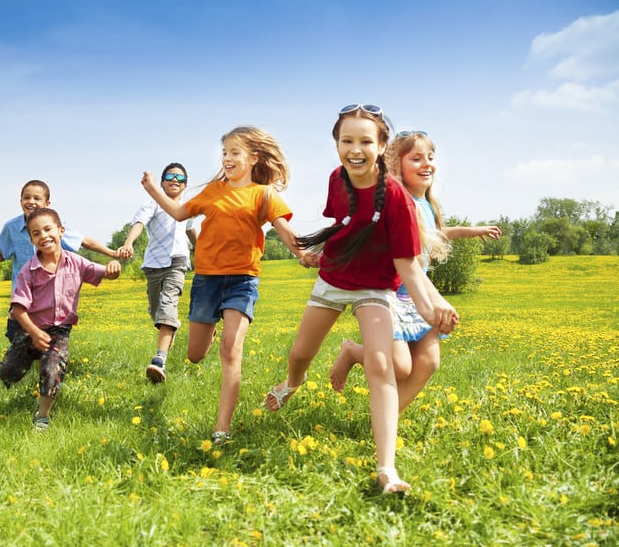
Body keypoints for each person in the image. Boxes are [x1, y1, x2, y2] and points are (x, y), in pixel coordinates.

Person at [263, 105, 459, 494]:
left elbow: (408, 266)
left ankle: (387, 469)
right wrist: (321, 250)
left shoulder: (399, 200)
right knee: (301, 352)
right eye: (346, 140)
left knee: (382, 364)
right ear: (336, 143)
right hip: (334, 278)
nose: (355, 149)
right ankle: (291, 384)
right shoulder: (337, 178)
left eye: (366, 141)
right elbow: (343, 221)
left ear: (381, 146)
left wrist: (430, 308)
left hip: (375, 288)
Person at [140, 126, 308, 446]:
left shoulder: (264, 194)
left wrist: (302, 254)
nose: (227, 158)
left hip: (243, 280)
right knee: (195, 355)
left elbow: (284, 230)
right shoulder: (213, 190)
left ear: (253, 157)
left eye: (234, 152)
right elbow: (177, 213)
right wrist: (152, 188)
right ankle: (213, 325)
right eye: (225, 153)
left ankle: (221, 430)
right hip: (206, 280)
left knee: (231, 350)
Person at [329, 130, 501, 411]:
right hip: (393, 293)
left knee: (429, 361)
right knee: (398, 367)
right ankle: (352, 351)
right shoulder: (398, 202)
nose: (427, 164)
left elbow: (437, 232)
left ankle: (386, 421)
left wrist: (474, 230)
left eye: (430, 158)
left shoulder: (427, 205)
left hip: (418, 293)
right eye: (416, 158)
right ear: (397, 165)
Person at [0, 208, 121, 430]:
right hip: (30, 330)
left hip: (59, 331)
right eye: (36, 233)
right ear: (32, 240)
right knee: (8, 372)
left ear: (61, 231)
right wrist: (34, 333)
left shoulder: (77, 263)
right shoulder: (29, 271)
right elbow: (17, 309)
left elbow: (104, 273)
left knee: (53, 369)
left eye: (47, 229)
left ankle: (42, 416)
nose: (43, 236)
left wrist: (113, 268)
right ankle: (27, 363)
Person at [0, 179, 126, 342]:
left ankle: (44, 364)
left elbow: (84, 240)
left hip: (48, 301)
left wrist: (111, 253)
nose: (31, 202)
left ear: (47, 203)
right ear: (20, 201)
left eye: (36, 198)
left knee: (48, 345)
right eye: (27, 197)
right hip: (24, 299)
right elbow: (1, 253)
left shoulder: (53, 226)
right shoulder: (11, 227)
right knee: (18, 343)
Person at [119, 162, 198, 383]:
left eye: (181, 178)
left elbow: (191, 230)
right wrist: (128, 243)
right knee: (157, 312)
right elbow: (139, 223)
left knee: (168, 304)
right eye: (170, 176)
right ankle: (171, 325)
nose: (175, 180)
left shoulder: (187, 207)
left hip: (178, 262)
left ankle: (159, 360)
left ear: (185, 185)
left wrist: (201, 252)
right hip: (154, 264)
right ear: (161, 183)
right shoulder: (152, 204)